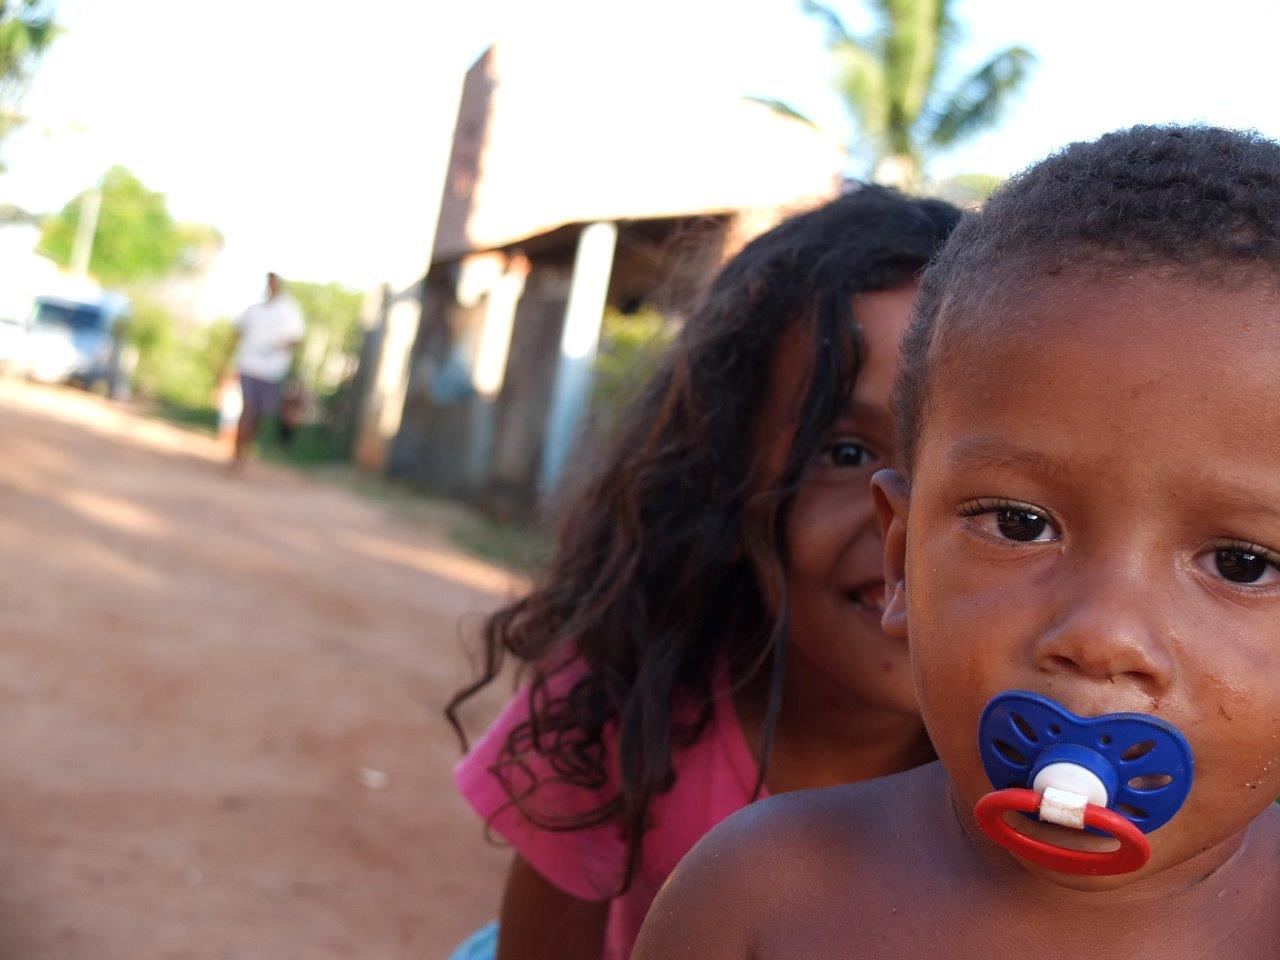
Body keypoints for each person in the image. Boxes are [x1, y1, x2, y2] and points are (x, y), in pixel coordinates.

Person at [632, 125, 1280, 960]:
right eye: (1018, 524)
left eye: (1243, 563)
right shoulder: (760, 892)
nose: (1103, 637)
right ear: (900, 559)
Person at [447, 186, 962, 960]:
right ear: (722, 481)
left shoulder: (1052, 783)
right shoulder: (619, 707)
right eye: (847, 454)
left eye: (971, 465)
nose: (908, 524)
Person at [227, 272, 305, 467]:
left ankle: (246, 447)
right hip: (248, 365)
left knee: (260, 413)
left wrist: (280, 346)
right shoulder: (253, 310)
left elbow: (296, 340)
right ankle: (237, 453)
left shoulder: (289, 311)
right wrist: (229, 362)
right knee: (248, 408)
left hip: (272, 371)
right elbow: (237, 333)